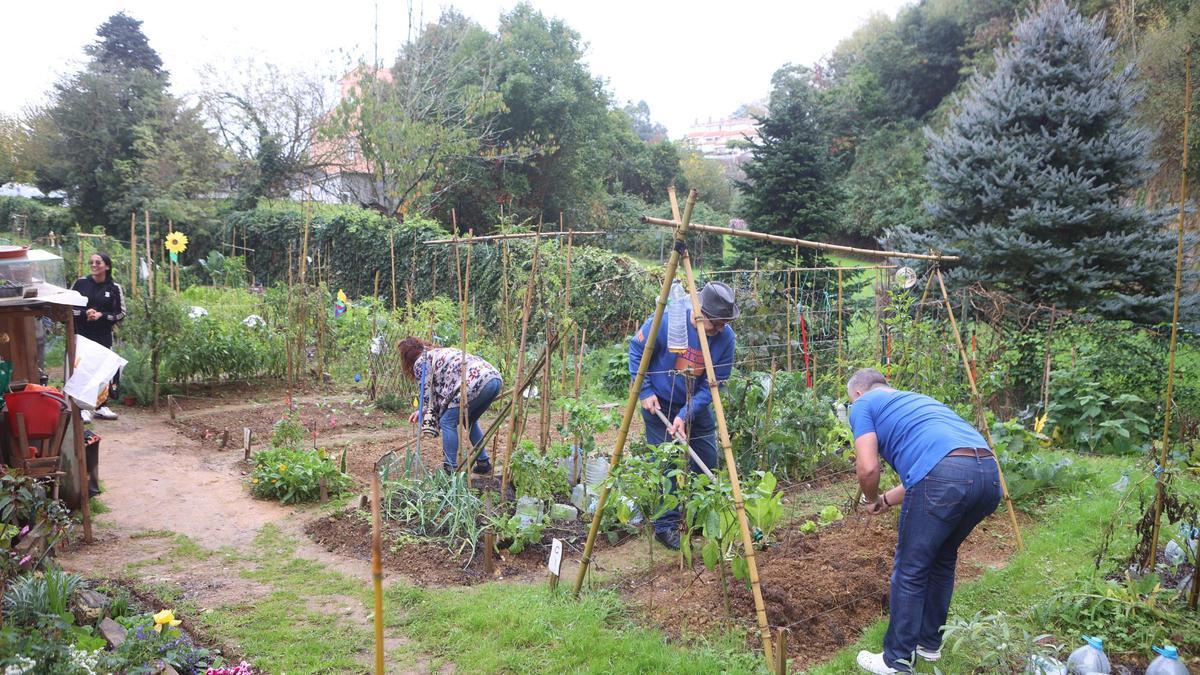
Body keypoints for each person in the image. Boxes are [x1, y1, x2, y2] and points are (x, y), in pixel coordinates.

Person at [846, 368, 1001, 674]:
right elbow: (938, 465)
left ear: (859, 394)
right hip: (987, 474)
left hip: (947, 475)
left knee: (911, 568)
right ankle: (929, 645)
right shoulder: (918, 402)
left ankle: (896, 660)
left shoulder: (864, 404)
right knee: (942, 558)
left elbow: (867, 469)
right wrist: (886, 500)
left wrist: (868, 498)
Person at [629, 280, 738, 551]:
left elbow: (714, 384)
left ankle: (702, 518)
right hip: (659, 401)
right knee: (666, 463)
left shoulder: (726, 339)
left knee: (707, 457)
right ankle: (665, 525)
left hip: (695, 404)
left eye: (725, 323)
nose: (721, 328)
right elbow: (636, 350)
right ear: (699, 312)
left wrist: (686, 414)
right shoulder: (668, 320)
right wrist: (644, 391)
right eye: (716, 323)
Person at [397, 337, 503, 474]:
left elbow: (428, 395)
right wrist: (423, 410)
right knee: (469, 420)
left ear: (406, 358)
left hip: (474, 382)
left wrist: (423, 411)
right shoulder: (437, 353)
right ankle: (483, 462)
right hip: (493, 378)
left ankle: (450, 468)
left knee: (447, 421)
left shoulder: (421, 362)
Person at [71, 253, 125, 422]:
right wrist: (84, 313)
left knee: (103, 370)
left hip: (103, 335)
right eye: (91, 262)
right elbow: (67, 307)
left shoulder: (114, 288)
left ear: (107, 266)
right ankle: (83, 407)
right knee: (82, 369)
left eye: (98, 262)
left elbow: (121, 313)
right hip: (82, 334)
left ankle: (101, 406)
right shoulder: (80, 284)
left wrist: (102, 315)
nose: (94, 265)